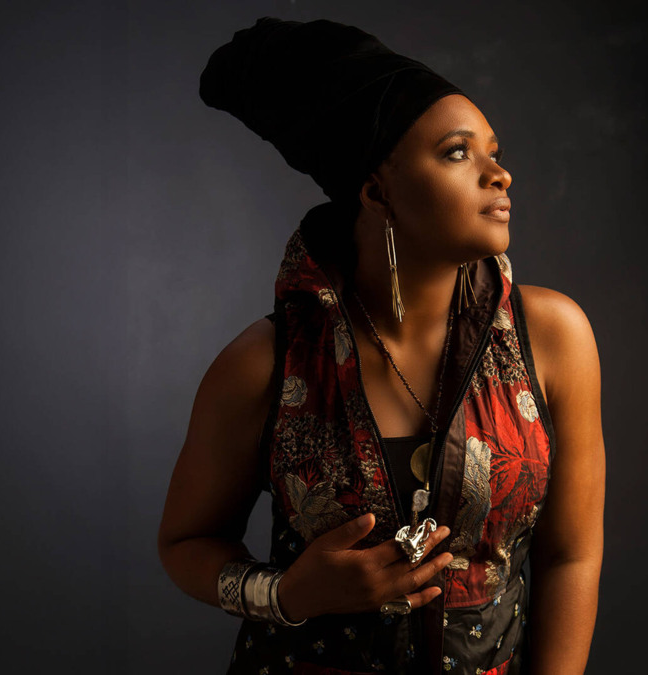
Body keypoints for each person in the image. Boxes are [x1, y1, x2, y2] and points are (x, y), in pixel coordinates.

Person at [156, 17, 604, 675]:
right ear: (376, 191)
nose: (500, 175)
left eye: (494, 151)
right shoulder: (265, 364)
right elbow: (184, 543)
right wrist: (286, 593)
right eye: (457, 152)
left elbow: (571, 555)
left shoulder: (552, 336)